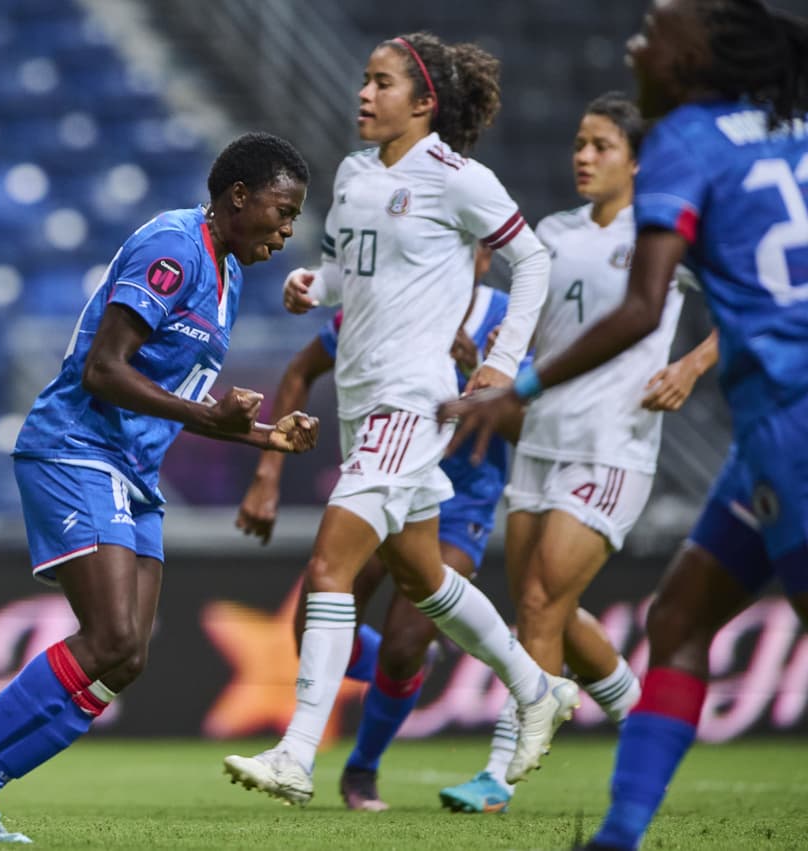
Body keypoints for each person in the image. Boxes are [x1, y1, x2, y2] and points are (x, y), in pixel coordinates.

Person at [438, 2, 808, 848]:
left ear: (696, 58)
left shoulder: (685, 141)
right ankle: (620, 832)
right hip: (747, 435)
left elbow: (647, 307)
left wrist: (519, 385)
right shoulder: (792, 128)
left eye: (656, 29)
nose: (638, 40)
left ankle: (500, 769)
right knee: (673, 620)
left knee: (540, 600)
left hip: (767, 422)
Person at [0, 132, 318, 843]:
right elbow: (104, 368)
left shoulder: (227, 274)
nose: (286, 231)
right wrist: (204, 413)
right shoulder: (175, 246)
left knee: (127, 656)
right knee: (112, 633)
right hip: (77, 447)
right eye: (281, 213)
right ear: (238, 196)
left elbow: (180, 395)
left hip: (131, 466)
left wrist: (266, 435)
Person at [224, 31, 575, 809]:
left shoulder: (460, 179)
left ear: (424, 104)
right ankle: (535, 687)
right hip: (360, 398)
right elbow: (356, 273)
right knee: (421, 574)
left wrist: (501, 362)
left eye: (381, 83)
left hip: (410, 400)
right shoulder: (351, 175)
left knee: (329, 566)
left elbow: (535, 261)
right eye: (364, 80)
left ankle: (297, 752)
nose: (363, 93)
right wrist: (314, 286)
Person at [439, 92, 718, 815]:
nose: (584, 157)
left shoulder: (664, 234)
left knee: (537, 600)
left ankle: (498, 774)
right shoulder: (552, 232)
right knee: (552, 610)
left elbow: (751, 304)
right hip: (538, 439)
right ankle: (640, 724)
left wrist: (689, 367)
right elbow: (534, 333)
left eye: (601, 146)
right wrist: (493, 366)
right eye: (579, 144)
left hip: (612, 446)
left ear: (635, 160)